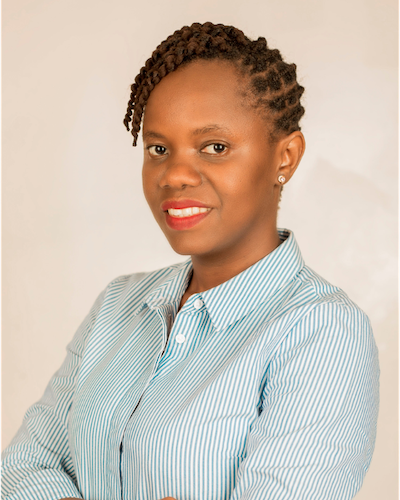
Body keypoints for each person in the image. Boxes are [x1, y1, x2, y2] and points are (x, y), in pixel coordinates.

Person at [1, 22, 379, 500]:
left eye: (214, 147)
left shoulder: (323, 332)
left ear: (285, 157)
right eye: (159, 149)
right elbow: (20, 468)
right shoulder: (118, 305)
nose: (175, 174)